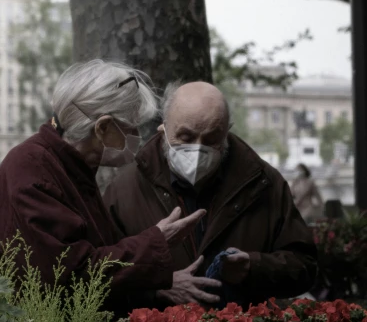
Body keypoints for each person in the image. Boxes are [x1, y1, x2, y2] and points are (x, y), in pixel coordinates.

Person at [0, 61, 222, 313]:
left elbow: (100, 259)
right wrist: (156, 241)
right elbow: (71, 273)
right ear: (103, 127)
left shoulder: (69, 167)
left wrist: (158, 286)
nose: (137, 135)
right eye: (130, 127)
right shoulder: (34, 170)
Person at [104, 81, 317, 307]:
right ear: (163, 129)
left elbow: (304, 266)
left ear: (226, 132)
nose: (197, 149)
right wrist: (156, 287)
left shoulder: (264, 183)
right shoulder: (124, 190)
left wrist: (253, 267)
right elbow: (100, 278)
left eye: (211, 139)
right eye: (185, 137)